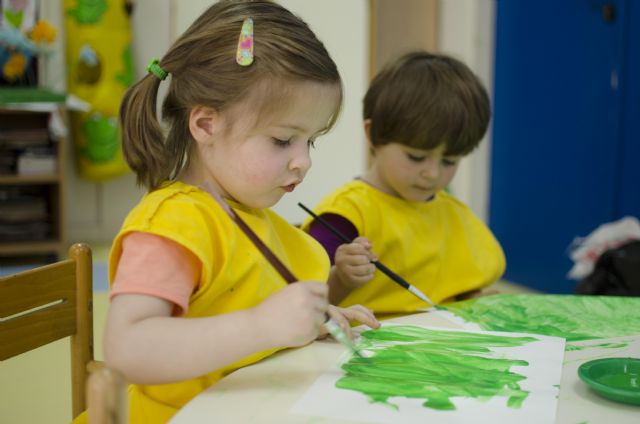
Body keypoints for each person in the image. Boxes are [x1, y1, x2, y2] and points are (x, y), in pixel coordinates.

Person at [94, 1, 379, 422]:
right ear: (206, 125)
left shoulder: (249, 213)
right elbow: (127, 350)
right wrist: (263, 326)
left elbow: (240, 309)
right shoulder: (175, 223)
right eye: (283, 140)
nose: (303, 161)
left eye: (311, 141)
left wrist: (310, 321)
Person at [302, 51, 506, 317]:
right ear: (373, 134)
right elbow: (303, 303)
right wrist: (342, 278)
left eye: (449, 161)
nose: (432, 174)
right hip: (369, 348)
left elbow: (458, 285)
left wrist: (473, 300)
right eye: (417, 157)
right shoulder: (346, 214)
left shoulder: (453, 214)